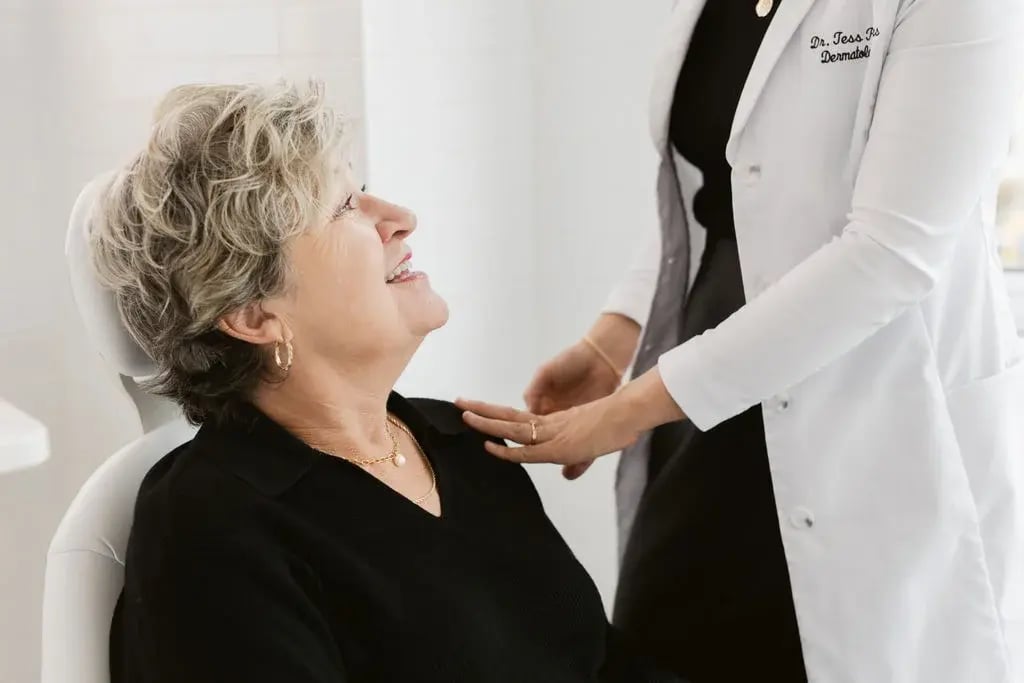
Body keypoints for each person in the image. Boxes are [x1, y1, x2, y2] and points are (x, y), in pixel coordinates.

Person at [457, 1, 1024, 681]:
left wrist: (626, 411)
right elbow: (723, 191)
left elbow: (892, 253)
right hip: (704, 392)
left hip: (871, 401)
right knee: (664, 648)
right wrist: (615, 341)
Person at [92, 80, 678, 683]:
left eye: (363, 191)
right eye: (344, 208)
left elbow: (600, 663)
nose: (400, 219)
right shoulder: (210, 528)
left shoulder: (462, 442)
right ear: (253, 314)